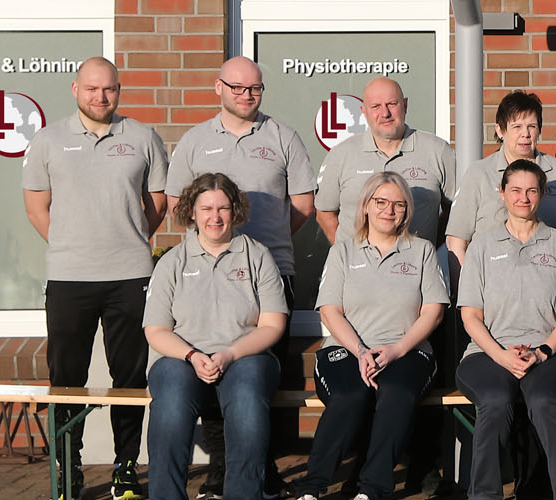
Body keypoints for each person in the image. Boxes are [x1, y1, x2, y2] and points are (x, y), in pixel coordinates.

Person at [166, 56, 313, 499]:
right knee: (212, 374)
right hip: (207, 275)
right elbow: (177, 204)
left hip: (269, 274)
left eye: (255, 89)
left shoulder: (283, 136)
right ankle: (221, 474)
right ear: (218, 87)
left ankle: (258, 474)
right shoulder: (194, 141)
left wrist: (258, 253)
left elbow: (303, 204)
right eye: (237, 87)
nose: (246, 95)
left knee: (257, 378)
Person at [19, 56, 165, 500]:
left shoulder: (142, 137)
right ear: (74, 88)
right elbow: (36, 207)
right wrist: (70, 244)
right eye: (92, 89)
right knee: (66, 377)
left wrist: (129, 238)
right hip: (69, 278)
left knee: (130, 378)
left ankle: (125, 468)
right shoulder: (47, 140)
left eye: (109, 90)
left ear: (118, 90)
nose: (101, 97)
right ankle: (70, 467)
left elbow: (156, 201)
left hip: (131, 276)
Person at [294, 172, 450, 500]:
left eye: (398, 204)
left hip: (407, 351)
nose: (388, 210)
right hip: (347, 348)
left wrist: (395, 351)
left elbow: (433, 311)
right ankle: (311, 487)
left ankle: (372, 489)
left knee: (394, 393)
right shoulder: (343, 251)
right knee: (350, 396)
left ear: (406, 211)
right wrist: (362, 351)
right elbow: (330, 310)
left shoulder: (421, 251)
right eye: (380, 202)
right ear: (366, 206)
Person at [142, 174, 287, 500]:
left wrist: (230, 355)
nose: (215, 217)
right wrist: (193, 357)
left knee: (248, 395)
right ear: (192, 212)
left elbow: (272, 325)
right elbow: (156, 330)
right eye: (206, 208)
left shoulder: (257, 256)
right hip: (181, 360)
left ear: (235, 210)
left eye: (223, 208)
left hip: (245, 358)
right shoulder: (171, 262)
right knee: (171, 402)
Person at [454, 160, 556, 500]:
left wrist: (543, 351)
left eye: (532, 190)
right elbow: (470, 316)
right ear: (502, 193)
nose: (523, 198)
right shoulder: (482, 246)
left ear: (543, 193)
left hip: (550, 354)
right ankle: (484, 495)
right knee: (496, 400)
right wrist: (501, 355)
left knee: (544, 400)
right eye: (515, 190)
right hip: (487, 354)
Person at [451, 91, 556, 260]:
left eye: (532, 127)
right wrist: (463, 285)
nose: (525, 134)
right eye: (517, 127)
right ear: (500, 130)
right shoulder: (479, 174)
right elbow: (457, 241)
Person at [314, 77, 457, 246]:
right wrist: (347, 254)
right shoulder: (341, 154)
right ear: (364, 112)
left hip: (415, 268)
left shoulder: (437, 150)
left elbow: (457, 211)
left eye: (392, 104)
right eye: (376, 106)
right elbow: (324, 214)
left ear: (405, 105)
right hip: (355, 270)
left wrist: (428, 247)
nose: (385, 113)